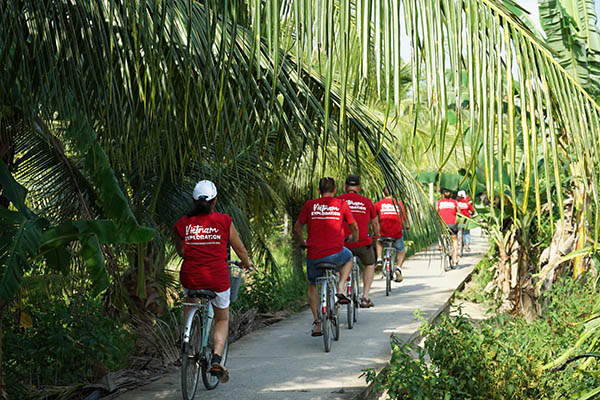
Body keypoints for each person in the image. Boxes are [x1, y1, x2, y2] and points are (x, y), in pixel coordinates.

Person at [173, 180, 253, 383]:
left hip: (190, 275)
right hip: (217, 277)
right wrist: (247, 263)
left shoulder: (183, 223)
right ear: (214, 201)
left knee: (191, 298)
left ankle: (186, 337)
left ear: (193, 200)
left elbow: (181, 251)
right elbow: (240, 249)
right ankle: (217, 358)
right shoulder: (224, 221)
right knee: (222, 318)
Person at [293, 177, 359, 337]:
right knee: (349, 257)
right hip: (336, 253)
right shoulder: (341, 204)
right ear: (335, 190)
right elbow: (354, 226)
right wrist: (355, 238)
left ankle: (317, 322)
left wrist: (303, 243)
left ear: (319, 191)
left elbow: (297, 228)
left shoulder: (310, 205)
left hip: (314, 255)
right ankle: (341, 287)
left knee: (312, 285)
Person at [337, 174, 381, 308]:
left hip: (343, 243)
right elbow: (375, 224)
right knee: (369, 264)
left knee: (338, 265)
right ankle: (365, 297)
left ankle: (340, 289)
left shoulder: (338, 201)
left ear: (345, 187)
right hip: (363, 242)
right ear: (359, 188)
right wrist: (376, 235)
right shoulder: (367, 202)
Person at [375, 187, 410, 282]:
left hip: (383, 232)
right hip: (396, 234)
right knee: (401, 251)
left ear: (383, 194)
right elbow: (404, 219)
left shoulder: (378, 204)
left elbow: (373, 218)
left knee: (378, 241)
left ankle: (379, 259)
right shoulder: (399, 204)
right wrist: (406, 226)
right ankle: (398, 268)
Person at [437, 188, 460, 264]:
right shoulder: (455, 202)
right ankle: (455, 258)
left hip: (442, 225)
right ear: (451, 195)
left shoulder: (439, 203)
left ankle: (440, 244)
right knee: (454, 240)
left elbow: (436, 213)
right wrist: (458, 223)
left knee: (441, 234)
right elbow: (459, 214)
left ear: (443, 195)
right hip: (452, 224)